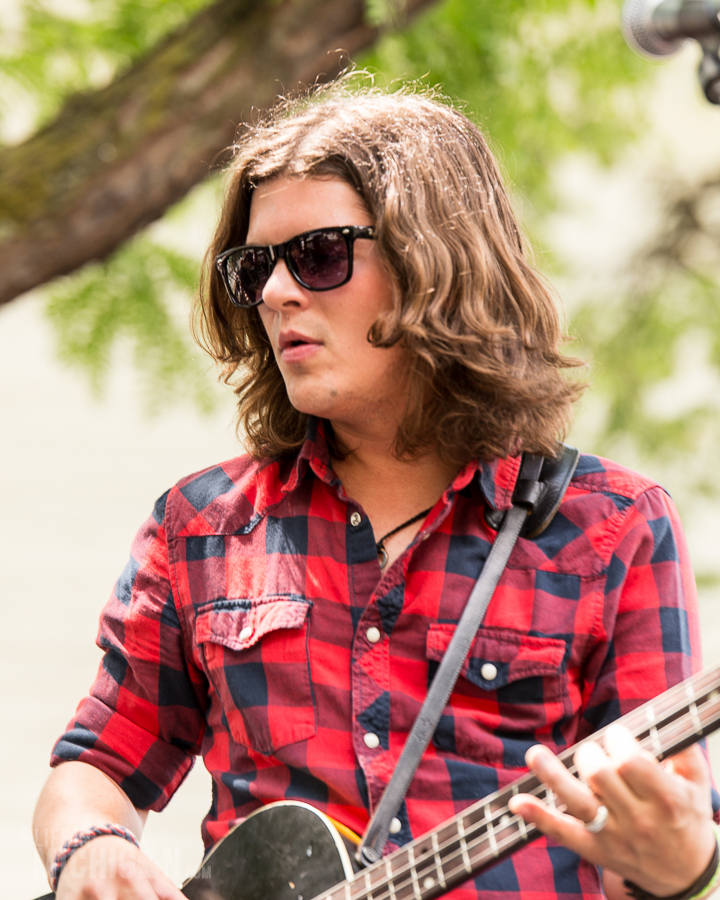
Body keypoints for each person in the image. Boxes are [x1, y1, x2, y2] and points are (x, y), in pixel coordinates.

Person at [33, 82, 718, 900]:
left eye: (319, 255)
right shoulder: (201, 528)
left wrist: (684, 864)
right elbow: (96, 767)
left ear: (436, 264)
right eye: (257, 267)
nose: (279, 293)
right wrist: (90, 846)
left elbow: (661, 832)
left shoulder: (614, 528)